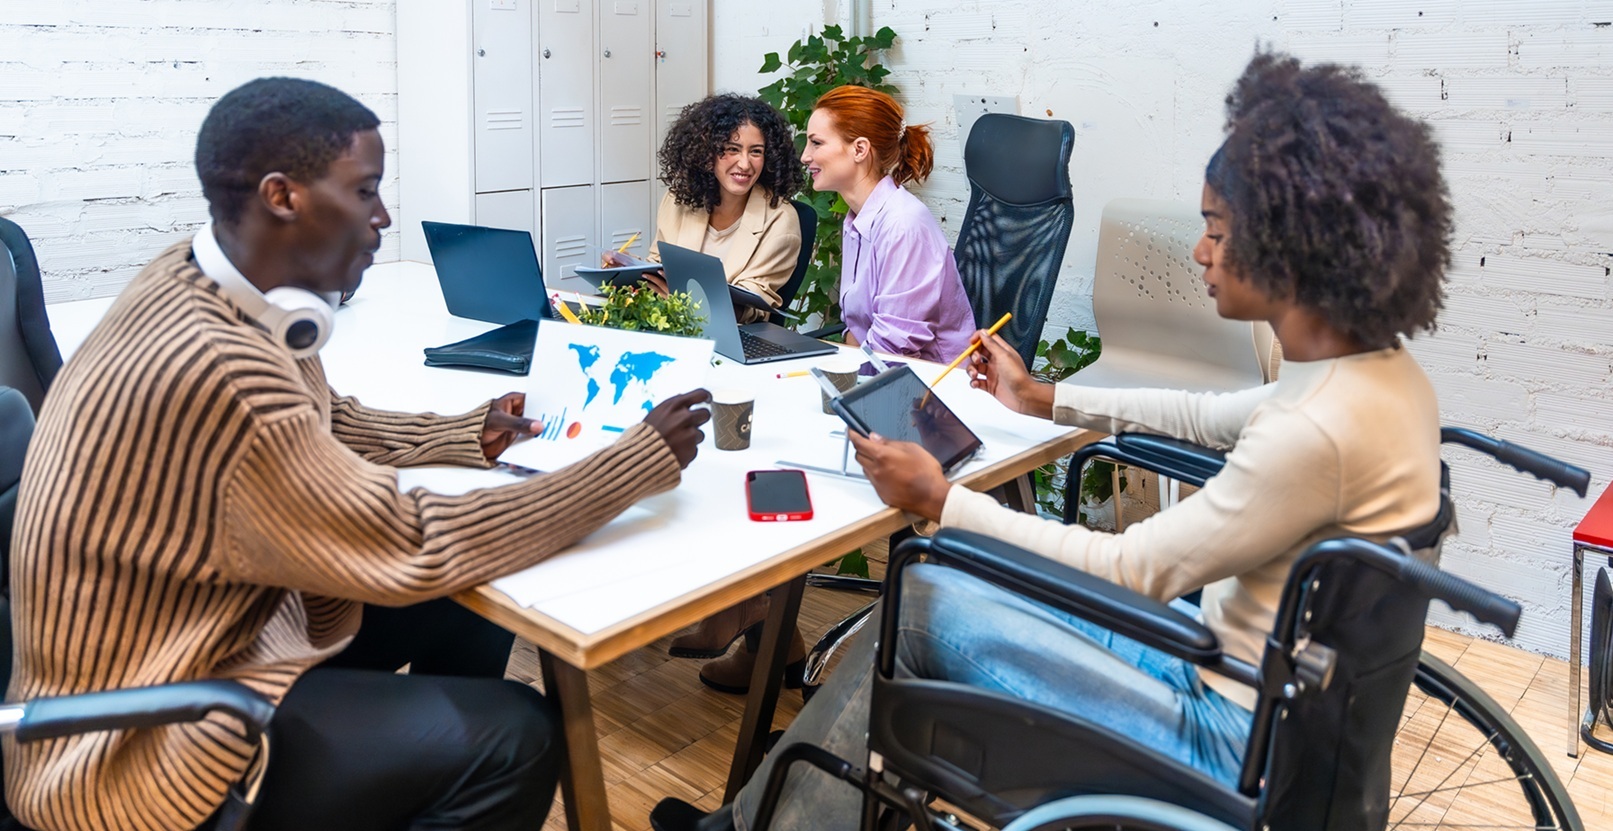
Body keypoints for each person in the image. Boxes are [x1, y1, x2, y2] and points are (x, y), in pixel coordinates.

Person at [652, 50, 1453, 831]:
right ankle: (787, 805)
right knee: (924, 595)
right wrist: (1047, 396)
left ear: (1287, 244)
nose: (1199, 251)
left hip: (1222, 728)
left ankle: (775, 814)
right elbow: (1206, 414)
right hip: (1246, 676)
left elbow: (1133, 568)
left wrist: (942, 498)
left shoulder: (1311, 430)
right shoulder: (1376, 377)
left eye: (1215, 229)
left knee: (918, 604)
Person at [6, 77, 712, 831]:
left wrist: (461, 433)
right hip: (138, 746)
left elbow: (324, 419)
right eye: (366, 191)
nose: (382, 218)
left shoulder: (200, 281)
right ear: (282, 196)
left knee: (471, 609)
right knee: (516, 736)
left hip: (216, 636)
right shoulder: (221, 371)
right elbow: (411, 541)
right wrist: (632, 462)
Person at [800, 85, 974, 363]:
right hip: (878, 371)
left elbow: (894, 348)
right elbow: (858, 327)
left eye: (816, 143)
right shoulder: (857, 220)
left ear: (859, 149)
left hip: (931, 381)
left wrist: (841, 376)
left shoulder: (903, 225)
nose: (805, 156)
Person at [640, 93, 806, 324]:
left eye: (756, 151)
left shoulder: (781, 219)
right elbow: (657, 266)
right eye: (732, 149)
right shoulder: (678, 200)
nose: (745, 164)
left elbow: (753, 308)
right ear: (707, 153)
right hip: (666, 324)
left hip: (730, 334)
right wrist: (624, 272)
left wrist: (685, 304)